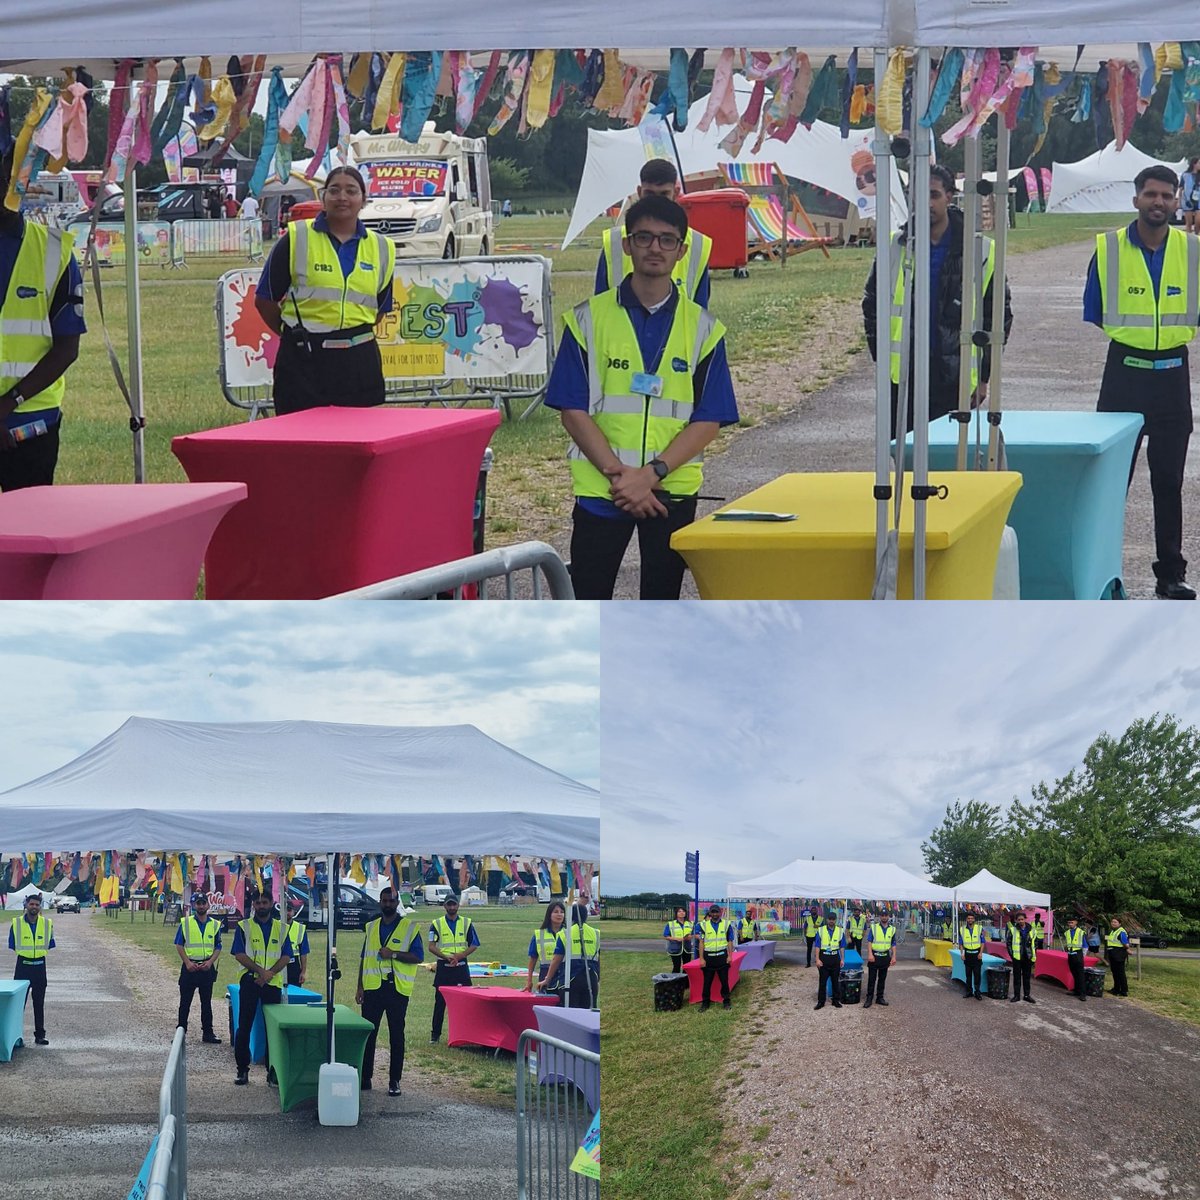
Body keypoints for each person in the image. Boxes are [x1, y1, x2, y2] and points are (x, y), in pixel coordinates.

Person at [545, 193, 738, 600]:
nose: (655, 247)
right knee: (589, 600)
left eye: (667, 240)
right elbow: (571, 409)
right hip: (603, 490)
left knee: (661, 605)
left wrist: (650, 476)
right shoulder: (587, 319)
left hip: (671, 490)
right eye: (645, 237)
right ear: (627, 245)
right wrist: (621, 476)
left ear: (682, 251)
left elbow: (709, 417)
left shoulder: (704, 329)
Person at [1084, 164, 1200, 599]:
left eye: (1167, 196)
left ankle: (1170, 575)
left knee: (1168, 482)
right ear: (1136, 199)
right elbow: (1095, 308)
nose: (1159, 202)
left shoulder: (1192, 251)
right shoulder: (1108, 249)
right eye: (1151, 194)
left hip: (1172, 376)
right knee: (1112, 484)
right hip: (1124, 376)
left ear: (1177, 200)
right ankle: (1104, 576)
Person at [863, 163, 1013, 437]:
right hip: (904, 375)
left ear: (949, 196)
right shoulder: (895, 246)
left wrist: (983, 378)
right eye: (917, 195)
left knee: (949, 460)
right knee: (904, 457)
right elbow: (872, 306)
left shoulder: (979, 250)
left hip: (954, 376)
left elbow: (997, 317)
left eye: (932, 195)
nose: (925, 203)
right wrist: (882, 360)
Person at [254, 166, 396, 416]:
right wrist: (295, 336)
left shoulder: (383, 248)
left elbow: (379, 310)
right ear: (323, 197)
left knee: (357, 445)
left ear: (363, 199)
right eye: (334, 190)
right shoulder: (296, 238)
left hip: (359, 363)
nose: (342, 197)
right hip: (304, 363)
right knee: (302, 446)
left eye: (351, 191)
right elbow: (264, 300)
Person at [0, 147, 86, 492]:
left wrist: (9, 403)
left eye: (10, 176)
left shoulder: (55, 251)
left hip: (31, 424)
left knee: (29, 539)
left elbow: (67, 348)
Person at [596, 158, 713, 307]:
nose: (656, 202)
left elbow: (700, 311)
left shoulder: (698, 245)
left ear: (676, 193)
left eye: (663, 194)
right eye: (650, 194)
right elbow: (598, 305)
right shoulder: (613, 242)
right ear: (639, 192)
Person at [356, 887, 422, 1096]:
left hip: (396, 989)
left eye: (391, 901)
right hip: (373, 988)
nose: (387, 904)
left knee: (396, 1036)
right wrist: (360, 986)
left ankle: (395, 1080)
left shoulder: (409, 928)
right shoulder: (371, 927)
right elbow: (364, 958)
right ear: (380, 902)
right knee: (368, 1034)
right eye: (384, 901)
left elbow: (418, 957)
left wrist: (393, 954)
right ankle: (365, 1077)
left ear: (397, 903)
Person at [231, 888, 292, 1085]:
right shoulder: (244, 926)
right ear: (253, 905)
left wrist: (269, 974)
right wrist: (260, 971)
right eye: (258, 903)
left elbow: (286, 956)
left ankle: (272, 1072)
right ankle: (242, 1070)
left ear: (271, 902)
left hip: (272, 983)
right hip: (250, 981)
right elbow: (239, 954)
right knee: (244, 1027)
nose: (261, 906)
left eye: (264, 902)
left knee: (272, 1030)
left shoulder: (282, 928)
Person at [428, 894, 479, 1043]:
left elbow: (474, 944)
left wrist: (460, 956)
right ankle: (435, 1035)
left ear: (458, 905)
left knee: (466, 1002)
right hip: (444, 967)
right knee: (440, 1003)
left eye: (454, 904)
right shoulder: (436, 924)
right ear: (444, 906)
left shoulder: (466, 923)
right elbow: (431, 946)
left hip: (461, 967)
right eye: (449, 905)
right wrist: (446, 957)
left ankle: (466, 1035)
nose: (451, 907)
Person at [174, 893, 223, 1042]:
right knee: (185, 1003)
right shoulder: (186, 923)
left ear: (208, 905)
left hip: (206, 968)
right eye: (198, 903)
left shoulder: (215, 924)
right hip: (190, 967)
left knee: (206, 1003)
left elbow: (218, 946)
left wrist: (210, 962)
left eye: (203, 903)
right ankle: (180, 1034)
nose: (201, 906)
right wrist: (187, 962)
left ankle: (208, 1033)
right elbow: (179, 944)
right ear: (193, 905)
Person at [8, 893, 54, 1045]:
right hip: (23, 967)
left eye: (37, 904)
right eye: (31, 904)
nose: (34, 907)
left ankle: (40, 1035)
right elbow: (13, 944)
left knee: (39, 1003)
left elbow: (50, 944)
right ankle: (15, 1036)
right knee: (18, 1004)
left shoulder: (47, 924)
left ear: (40, 907)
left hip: (40, 967)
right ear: (26, 905)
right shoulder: (16, 924)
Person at [539, 904, 600, 1009]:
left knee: (571, 1013)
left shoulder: (565, 934)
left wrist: (547, 980)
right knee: (589, 1013)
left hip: (571, 979)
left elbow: (556, 959)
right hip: (591, 978)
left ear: (571, 916)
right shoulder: (596, 933)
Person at [695, 903, 734, 1011]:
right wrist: (701, 958)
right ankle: (705, 1003)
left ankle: (726, 1001)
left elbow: (730, 941)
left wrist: (730, 956)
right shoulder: (702, 925)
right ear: (710, 913)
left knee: (724, 981)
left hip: (722, 957)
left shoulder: (726, 924)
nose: (715, 914)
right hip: (709, 958)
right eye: (713, 912)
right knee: (707, 982)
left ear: (720, 913)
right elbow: (701, 942)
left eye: (717, 912)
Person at [526, 900, 567, 991]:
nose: (559, 914)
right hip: (545, 974)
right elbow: (533, 959)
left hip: (564, 974)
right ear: (549, 914)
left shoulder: (568, 933)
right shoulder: (539, 934)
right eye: (556, 912)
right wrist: (529, 980)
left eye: (562, 912)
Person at [863, 908, 897, 1009]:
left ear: (888, 916)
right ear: (879, 917)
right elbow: (869, 941)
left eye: (886, 915)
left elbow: (893, 943)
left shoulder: (892, 929)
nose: (884, 917)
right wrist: (869, 954)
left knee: (882, 979)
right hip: (874, 956)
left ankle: (879, 998)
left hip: (885, 956)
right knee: (871, 979)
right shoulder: (874, 928)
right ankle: (869, 998)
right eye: (882, 915)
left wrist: (894, 956)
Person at [814, 911, 845, 1010]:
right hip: (824, 958)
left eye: (833, 919)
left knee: (835, 981)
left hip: (835, 958)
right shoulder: (821, 930)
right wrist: (817, 959)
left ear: (835, 920)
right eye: (830, 919)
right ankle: (821, 1002)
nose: (831, 921)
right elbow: (817, 946)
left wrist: (842, 959)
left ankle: (836, 1001)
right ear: (827, 919)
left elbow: (842, 946)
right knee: (822, 982)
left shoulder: (840, 931)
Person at [1005, 911, 1036, 1004]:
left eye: (1022, 919)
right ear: (1016, 920)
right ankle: (1017, 995)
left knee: (1027, 977)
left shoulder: (1032, 930)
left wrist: (1033, 956)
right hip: (1017, 957)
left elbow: (1035, 944)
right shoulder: (1012, 930)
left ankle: (1027, 995)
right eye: (1019, 920)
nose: (1021, 921)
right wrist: (1012, 955)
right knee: (1017, 977)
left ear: (1025, 919)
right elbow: (1008, 944)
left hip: (1028, 957)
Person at [958, 910, 985, 1001]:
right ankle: (969, 992)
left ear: (974, 919)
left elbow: (983, 942)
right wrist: (962, 954)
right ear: (966, 919)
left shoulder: (979, 928)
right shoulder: (962, 929)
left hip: (977, 955)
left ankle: (977, 992)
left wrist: (981, 953)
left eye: (972, 918)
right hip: (968, 955)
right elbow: (961, 943)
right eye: (968, 918)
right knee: (968, 975)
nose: (970, 920)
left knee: (977, 975)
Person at [662, 905, 694, 973]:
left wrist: (690, 937)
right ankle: (675, 982)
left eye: (683, 911)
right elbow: (665, 936)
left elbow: (694, 934)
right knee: (676, 966)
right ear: (676, 913)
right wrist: (676, 938)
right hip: (675, 948)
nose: (682, 913)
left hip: (687, 948)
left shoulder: (690, 923)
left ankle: (685, 982)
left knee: (686, 967)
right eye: (679, 911)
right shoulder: (671, 924)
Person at [1063, 916, 1088, 1002]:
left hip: (1078, 955)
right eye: (1069, 922)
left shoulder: (1081, 932)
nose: (1070, 924)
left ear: (1076, 922)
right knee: (1074, 973)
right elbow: (1068, 944)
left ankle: (1083, 994)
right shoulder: (1067, 932)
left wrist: (1082, 956)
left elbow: (1085, 946)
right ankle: (1076, 991)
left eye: (1072, 922)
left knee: (1080, 975)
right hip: (1070, 955)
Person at [284, 909, 309, 989]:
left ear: (294, 911)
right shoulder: (274, 926)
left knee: (294, 992)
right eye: (284, 910)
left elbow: (303, 952)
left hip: (293, 965)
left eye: (289, 910)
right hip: (277, 964)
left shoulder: (300, 928)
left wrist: (303, 971)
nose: (287, 912)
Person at [1105, 917, 1130, 997]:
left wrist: (1127, 949)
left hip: (1118, 953)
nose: (1113, 923)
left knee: (1120, 972)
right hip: (1113, 953)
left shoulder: (1121, 931)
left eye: (1115, 922)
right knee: (1115, 972)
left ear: (1119, 923)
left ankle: (1123, 990)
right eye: (1112, 922)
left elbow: (1125, 943)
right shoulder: (1113, 931)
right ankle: (1116, 989)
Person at [1180, 158, 1200, 235]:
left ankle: (1196, 234)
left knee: (1198, 221)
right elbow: (1181, 188)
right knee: (1189, 222)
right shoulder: (1185, 175)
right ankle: (1188, 238)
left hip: (1198, 201)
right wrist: (1179, 202)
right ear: (1194, 164)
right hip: (1187, 200)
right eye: (1198, 163)